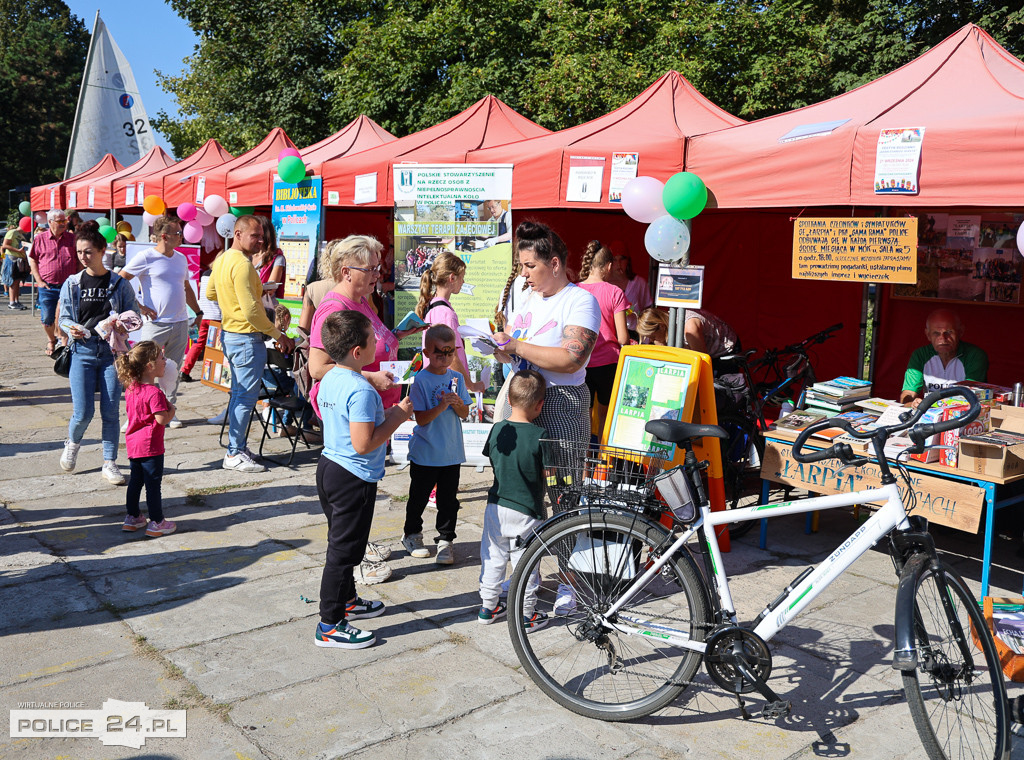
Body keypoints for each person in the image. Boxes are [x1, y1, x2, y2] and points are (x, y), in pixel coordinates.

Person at [491, 220, 600, 615]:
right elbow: (520, 349)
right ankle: (527, 578)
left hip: (561, 401)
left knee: (565, 492)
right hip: (521, 398)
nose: (523, 275)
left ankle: (574, 579)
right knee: (519, 494)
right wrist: (500, 348)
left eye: (529, 267)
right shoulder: (529, 297)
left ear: (554, 264)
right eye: (521, 267)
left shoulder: (580, 300)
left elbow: (572, 357)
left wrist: (517, 344)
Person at [313, 310, 415, 650]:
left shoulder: (331, 378)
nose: (379, 344)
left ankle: (348, 601)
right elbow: (365, 442)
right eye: (374, 340)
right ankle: (330, 623)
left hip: (329, 467)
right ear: (358, 351)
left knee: (345, 542)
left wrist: (388, 415)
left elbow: (352, 427)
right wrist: (398, 416)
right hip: (352, 477)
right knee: (343, 553)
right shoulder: (361, 390)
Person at [207, 215, 296, 473]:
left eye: (261, 236)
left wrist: (239, 296)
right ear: (237, 234)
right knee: (245, 398)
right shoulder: (242, 265)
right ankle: (234, 452)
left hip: (232, 334)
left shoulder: (223, 260)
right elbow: (252, 312)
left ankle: (237, 447)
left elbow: (212, 292)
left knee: (239, 395)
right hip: (245, 336)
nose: (260, 240)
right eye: (255, 236)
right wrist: (279, 335)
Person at [57, 221, 142, 485]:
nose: (83, 257)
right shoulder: (72, 283)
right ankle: (73, 443)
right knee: (82, 413)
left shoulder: (118, 284)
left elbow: (135, 317)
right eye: (80, 252)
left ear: (102, 250)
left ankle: (110, 462)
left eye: (89, 252)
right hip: (81, 352)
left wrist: (120, 323)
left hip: (111, 354)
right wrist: (73, 329)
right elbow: (64, 318)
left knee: (110, 412)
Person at [477, 369, 549, 632]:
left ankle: (488, 606)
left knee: (493, 556)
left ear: (508, 398)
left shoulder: (497, 429)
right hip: (527, 510)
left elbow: (493, 458)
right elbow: (549, 474)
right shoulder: (541, 435)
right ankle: (526, 614)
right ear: (540, 405)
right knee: (526, 563)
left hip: (495, 506)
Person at [119, 215, 203, 428]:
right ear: (164, 236)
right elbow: (121, 280)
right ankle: (134, 412)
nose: (181, 236)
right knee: (140, 368)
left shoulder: (181, 258)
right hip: (155, 324)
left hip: (180, 322)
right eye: (178, 233)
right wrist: (139, 306)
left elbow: (186, 287)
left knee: (172, 370)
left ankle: (168, 411)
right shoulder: (146, 257)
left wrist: (198, 311)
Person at [401, 324, 471, 565]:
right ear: (426, 352)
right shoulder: (420, 379)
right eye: (439, 352)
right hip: (426, 453)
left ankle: (445, 540)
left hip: (451, 452)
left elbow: (464, 413)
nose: (445, 358)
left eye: (449, 352)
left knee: (448, 500)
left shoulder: (457, 377)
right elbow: (420, 418)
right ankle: (412, 534)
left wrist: (457, 404)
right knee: (418, 498)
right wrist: (442, 405)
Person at [116, 341, 177, 537]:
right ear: (150, 366)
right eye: (161, 358)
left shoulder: (131, 388)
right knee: (153, 484)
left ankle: (133, 517)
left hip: (133, 444)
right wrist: (171, 411)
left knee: (136, 481)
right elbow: (160, 420)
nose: (165, 362)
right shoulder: (154, 392)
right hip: (151, 446)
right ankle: (157, 522)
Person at [578, 240, 629, 439]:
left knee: (585, 415)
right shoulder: (615, 292)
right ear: (608, 266)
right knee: (606, 415)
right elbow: (623, 337)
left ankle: (586, 464)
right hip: (608, 363)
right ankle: (603, 460)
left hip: (581, 361)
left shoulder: (574, 290)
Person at [416, 251, 485, 392]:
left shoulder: (433, 306)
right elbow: (450, 356)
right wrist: (471, 385)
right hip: (445, 388)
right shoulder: (445, 313)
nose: (463, 282)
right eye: (462, 277)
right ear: (452, 278)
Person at [900, 309, 988, 405]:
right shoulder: (920, 355)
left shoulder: (974, 356)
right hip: (930, 414)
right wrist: (912, 404)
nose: (943, 338)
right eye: (936, 333)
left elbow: (970, 394)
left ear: (960, 332)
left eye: (949, 332)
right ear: (928, 335)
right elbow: (908, 393)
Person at [28, 209, 78, 355]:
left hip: (68, 285)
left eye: (65, 220)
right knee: (47, 317)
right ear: (50, 222)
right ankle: (51, 340)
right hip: (47, 286)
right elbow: (32, 259)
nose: (64, 224)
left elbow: (79, 261)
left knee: (67, 315)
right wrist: (38, 280)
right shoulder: (40, 239)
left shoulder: (72, 238)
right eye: (60, 221)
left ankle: (64, 345)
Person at [180, 257, 223, 383]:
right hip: (217, 316)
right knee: (220, 347)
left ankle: (185, 370)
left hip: (204, 314)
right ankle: (216, 375)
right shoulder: (221, 275)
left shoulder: (205, 275)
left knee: (198, 344)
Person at [253, 216, 286, 306]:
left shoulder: (277, 258)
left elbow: (270, 289)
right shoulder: (247, 255)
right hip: (247, 305)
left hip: (265, 307)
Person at [609, 245, 652, 312]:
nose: (619, 264)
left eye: (622, 259)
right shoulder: (604, 284)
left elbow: (648, 310)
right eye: (614, 259)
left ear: (628, 261)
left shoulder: (640, 283)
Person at [2, 223, 29, 309]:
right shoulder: (12, 232)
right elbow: (5, 245)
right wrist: (17, 250)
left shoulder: (22, 235)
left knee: (17, 282)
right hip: (12, 259)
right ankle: (12, 302)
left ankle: (16, 301)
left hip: (19, 260)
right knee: (13, 281)